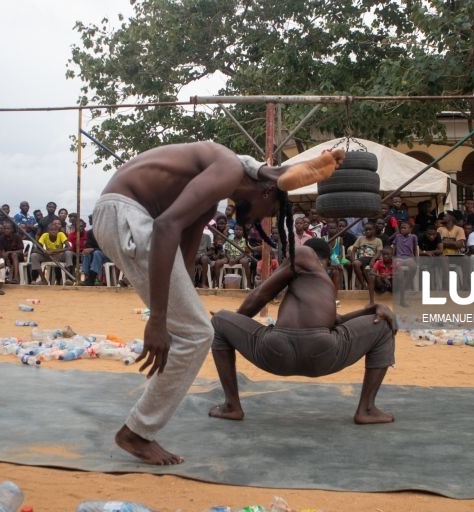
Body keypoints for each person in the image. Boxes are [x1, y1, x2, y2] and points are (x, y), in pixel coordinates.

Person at [91, 141, 344, 465]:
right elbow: (165, 226)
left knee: (191, 329)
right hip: (127, 215)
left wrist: (171, 313)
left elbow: (182, 258)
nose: (256, 221)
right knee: (199, 333)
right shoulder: (227, 168)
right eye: (267, 213)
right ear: (267, 191)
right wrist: (158, 317)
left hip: (123, 216)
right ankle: (137, 433)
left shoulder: (212, 194)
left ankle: (140, 428)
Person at [209, 238, 396, 426]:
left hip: (276, 352)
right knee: (384, 325)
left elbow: (262, 294)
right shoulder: (323, 283)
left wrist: (238, 320)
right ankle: (367, 409)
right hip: (323, 356)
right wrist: (373, 310)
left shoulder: (303, 254)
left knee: (220, 321)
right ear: (329, 262)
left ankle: (232, 406)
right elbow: (336, 323)